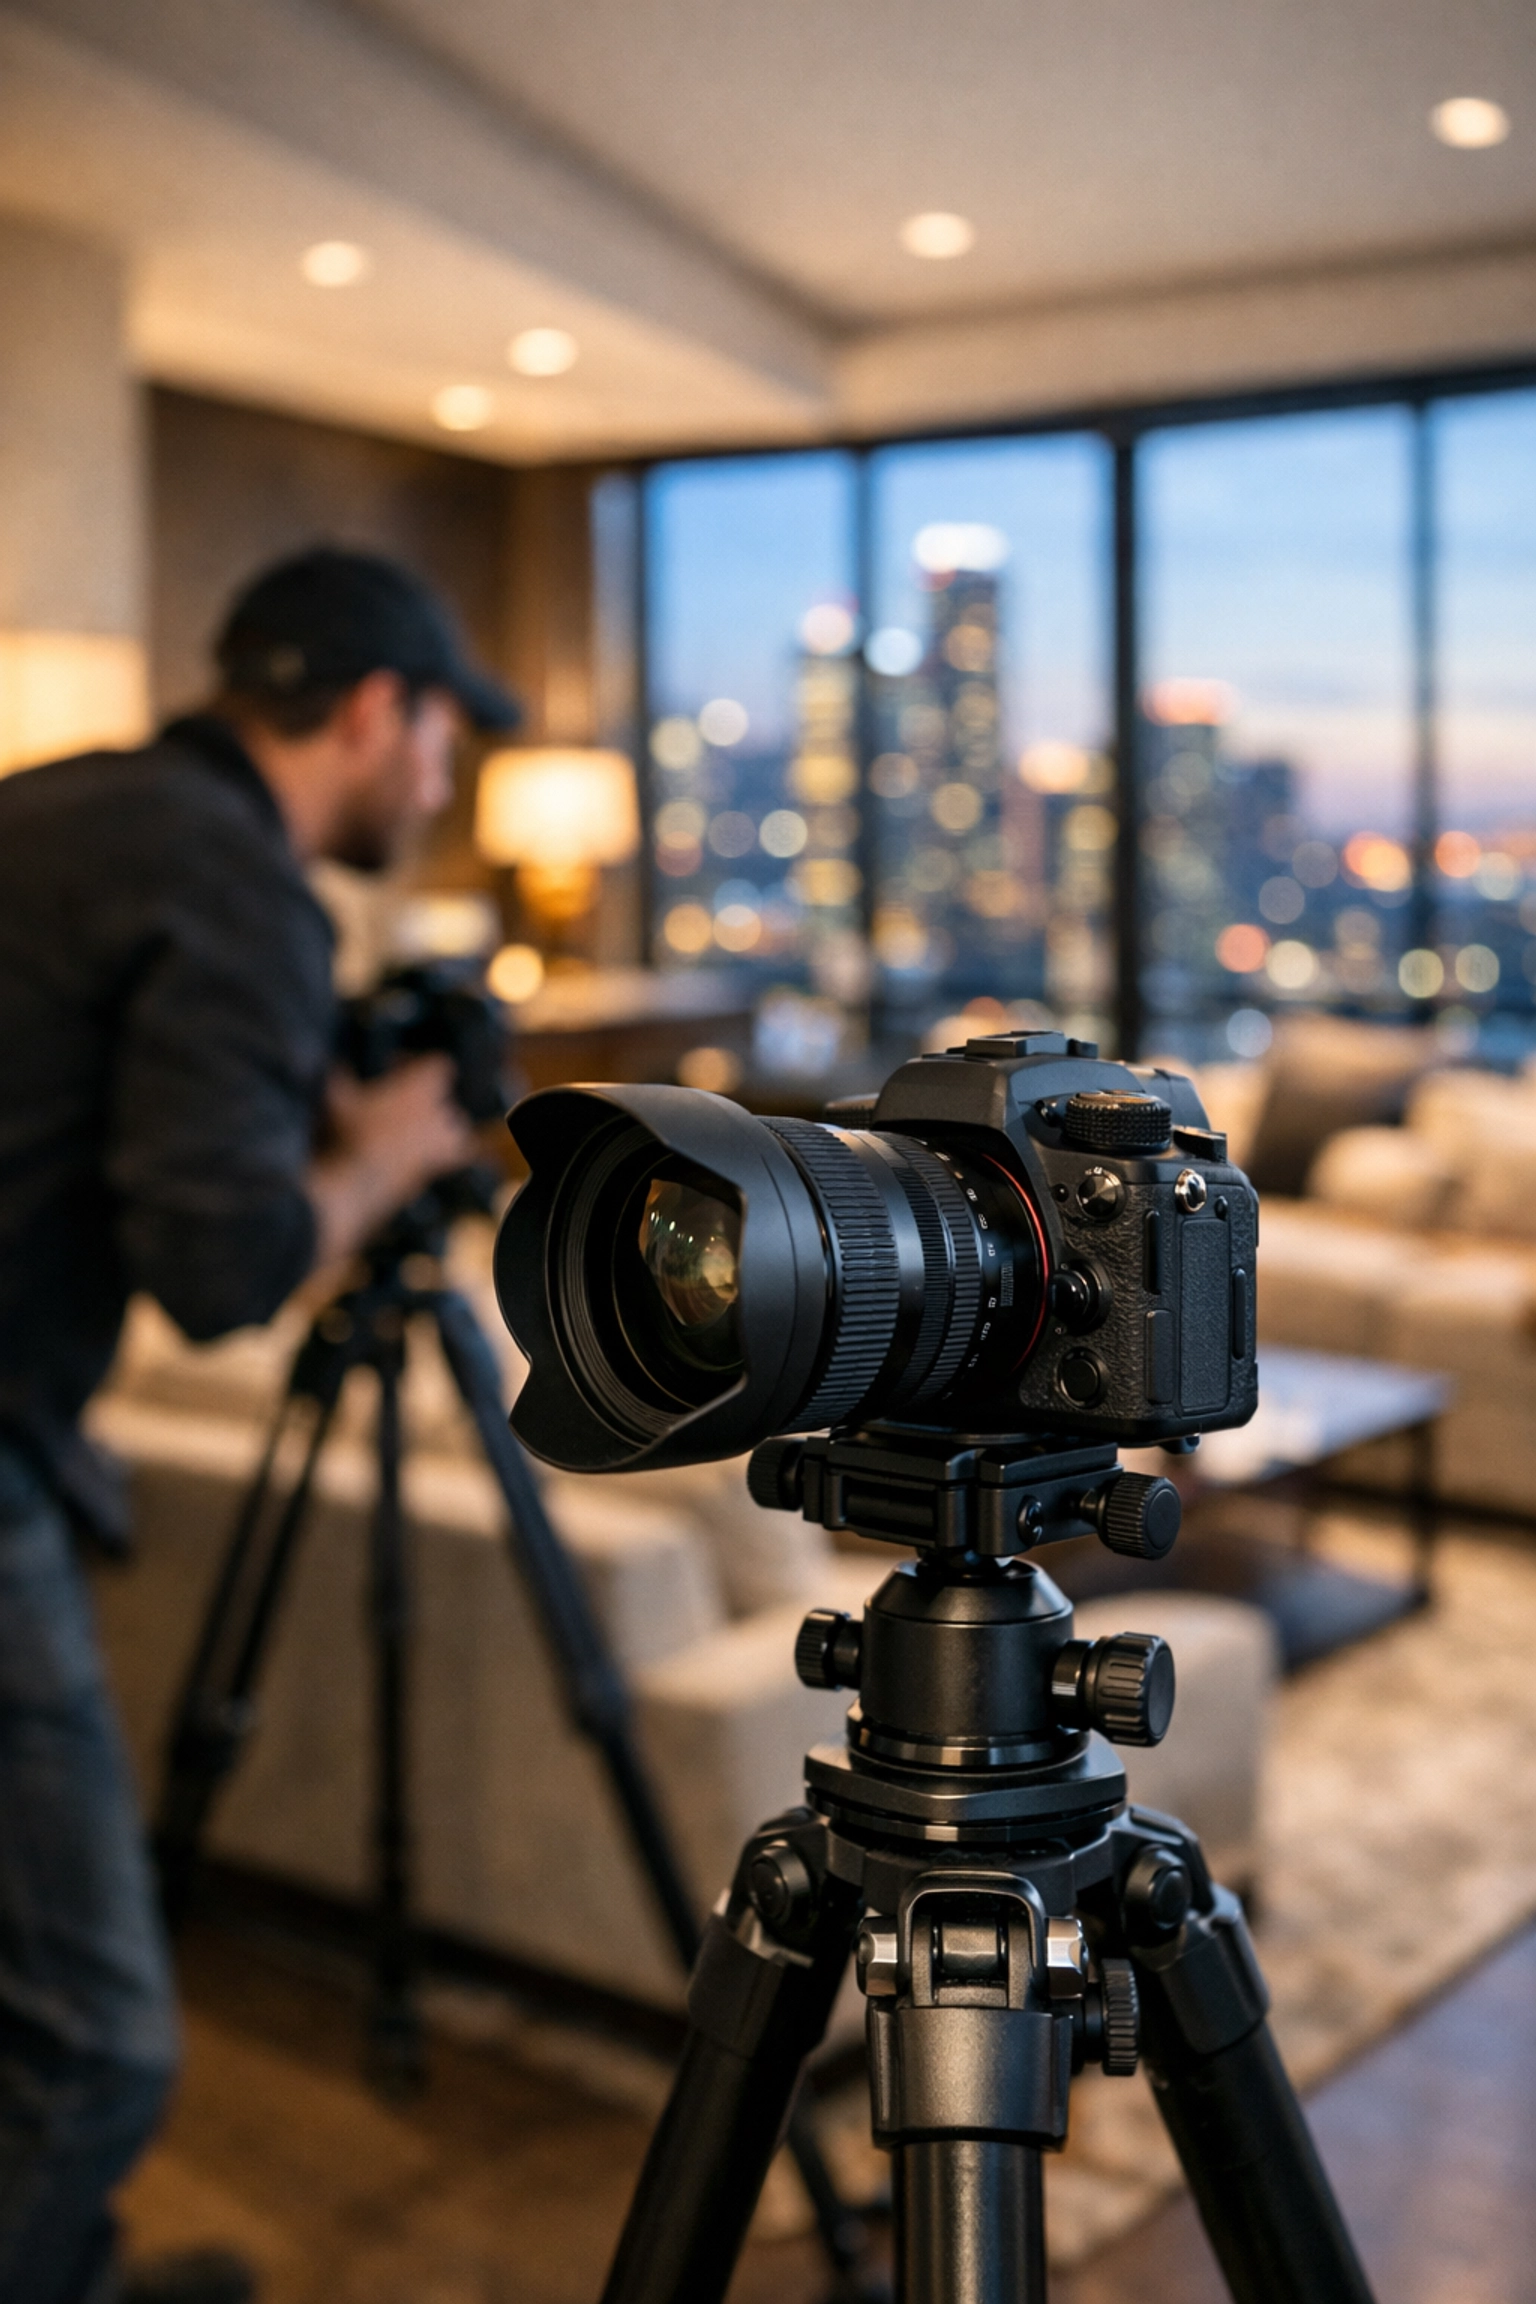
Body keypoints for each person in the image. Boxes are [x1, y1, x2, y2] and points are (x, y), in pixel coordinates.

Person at [0, 547, 519, 2303]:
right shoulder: (236, 879)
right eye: (445, 738)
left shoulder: (60, 811)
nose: (443, 786)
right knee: (101, 2043)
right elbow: (224, 1266)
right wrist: (380, 1154)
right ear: (375, 711)